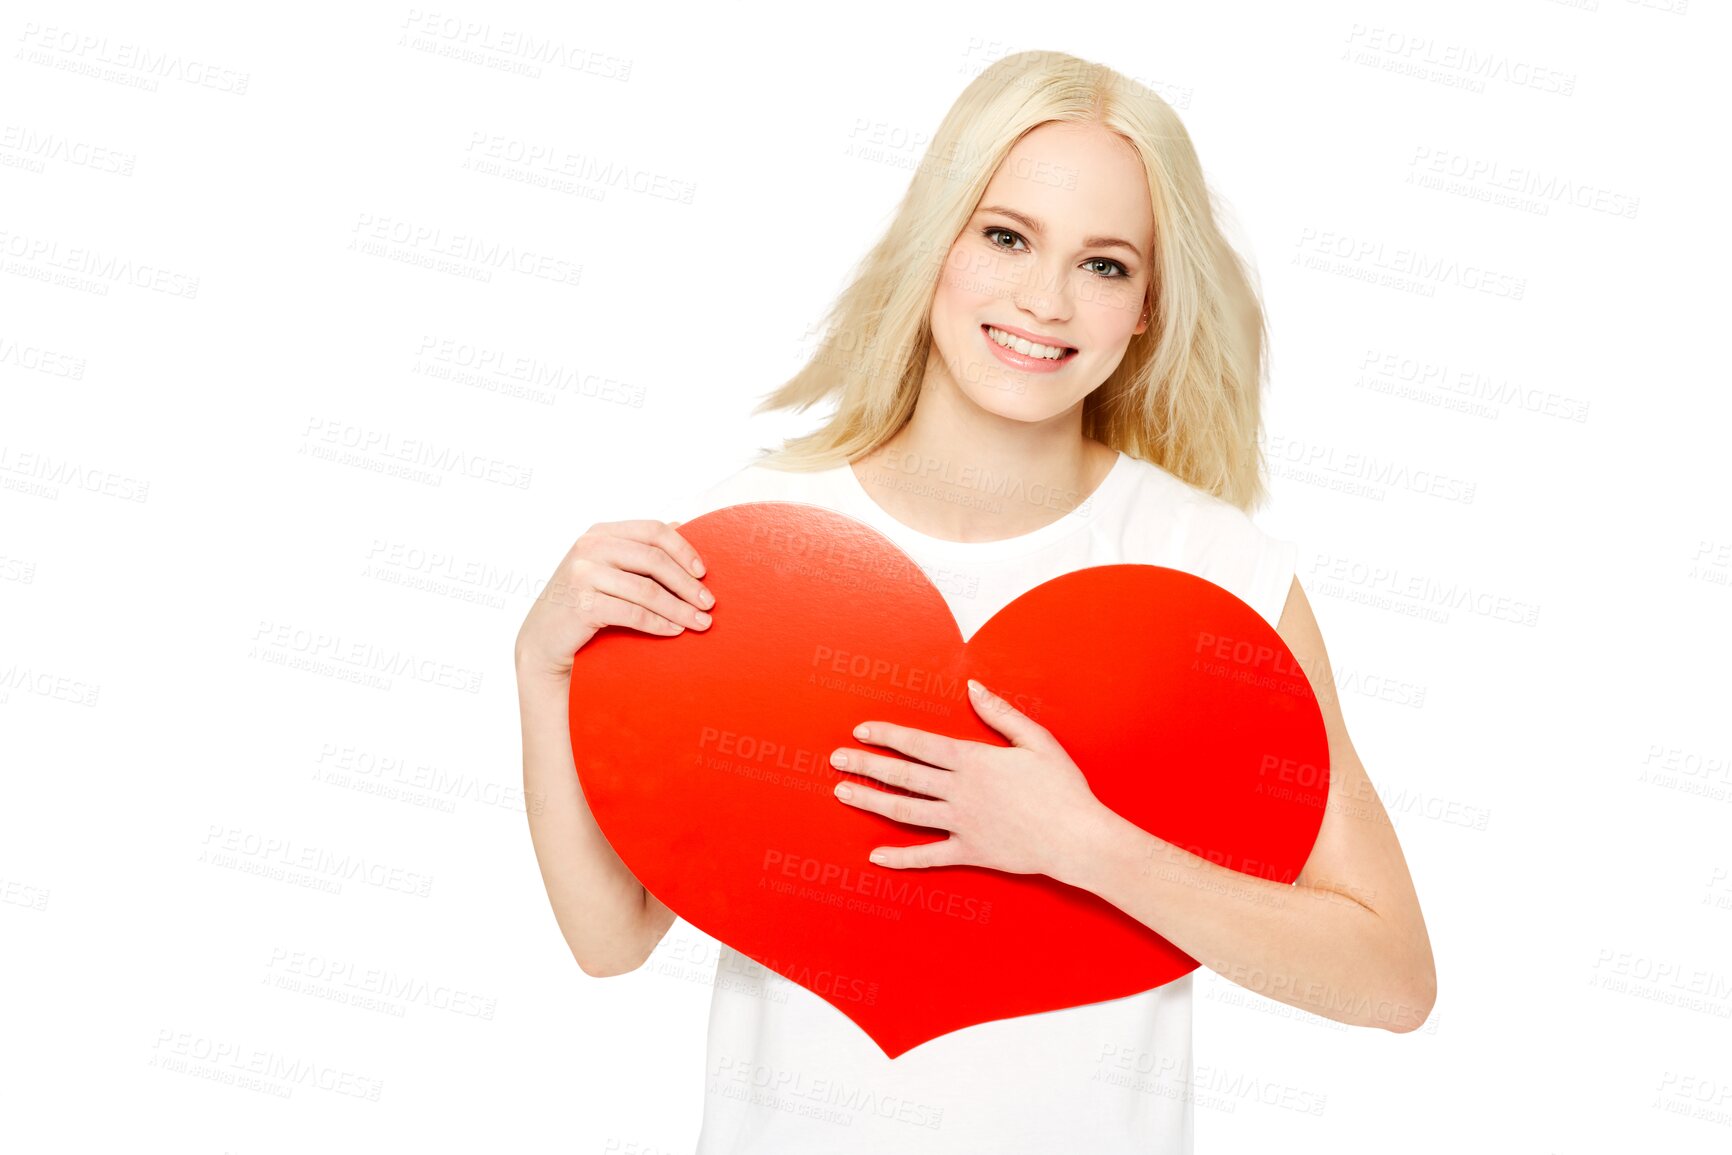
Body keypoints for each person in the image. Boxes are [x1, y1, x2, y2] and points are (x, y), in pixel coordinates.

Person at [516, 49, 1436, 1153]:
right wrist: (542, 668)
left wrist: (1080, 843)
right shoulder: (756, 545)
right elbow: (611, 938)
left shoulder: (1217, 578)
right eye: (1006, 236)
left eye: (1104, 265)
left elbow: (1389, 979)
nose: (1043, 301)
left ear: (1147, 307)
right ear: (936, 244)